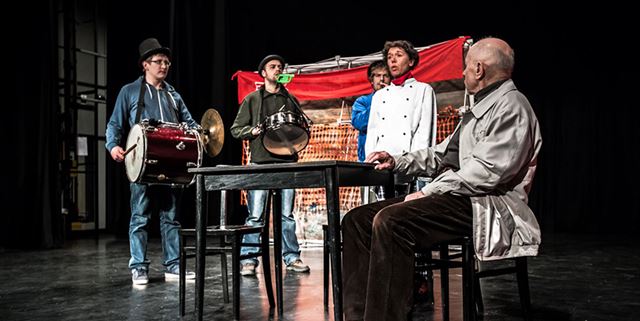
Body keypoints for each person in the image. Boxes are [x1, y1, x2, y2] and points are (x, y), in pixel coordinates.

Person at [341, 37, 543, 321]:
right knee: (356, 220)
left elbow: (488, 173)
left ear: (479, 70)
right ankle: (359, 316)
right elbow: (440, 154)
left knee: (391, 221)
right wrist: (397, 160)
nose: (462, 73)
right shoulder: (478, 109)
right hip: (456, 196)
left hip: (486, 204)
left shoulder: (512, 106)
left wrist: (430, 191)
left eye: (465, 67)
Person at [105, 38, 199, 285]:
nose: (164, 65)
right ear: (145, 65)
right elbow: (114, 123)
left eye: (167, 62)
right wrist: (113, 145)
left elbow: (190, 124)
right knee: (140, 216)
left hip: (171, 163)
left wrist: (202, 132)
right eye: (158, 61)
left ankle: (172, 266)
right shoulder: (129, 91)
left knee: (171, 217)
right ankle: (138, 267)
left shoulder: (173, 95)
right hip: (141, 162)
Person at [230, 54, 310, 276]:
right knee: (255, 216)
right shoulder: (253, 99)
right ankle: (249, 260)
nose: (277, 69)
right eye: (272, 67)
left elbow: (299, 129)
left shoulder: (290, 99)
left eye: (280, 67)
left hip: (286, 163)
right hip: (261, 164)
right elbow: (236, 129)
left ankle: (292, 257)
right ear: (263, 73)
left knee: (286, 215)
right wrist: (252, 131)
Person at [364, 40, 438, 195]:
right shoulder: (379, 95)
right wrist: (371, 164)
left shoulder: (423, 90)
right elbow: (373, 133)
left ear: (411, 61)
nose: (392, 60)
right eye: (389, 56)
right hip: (381, 169)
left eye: (398, 55)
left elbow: (424, 133)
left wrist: (416, 168)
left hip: (409, 169)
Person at [351, 60, 391, 162]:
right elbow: (359, 123)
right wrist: (379, 100)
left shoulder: (397, 99)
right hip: (369, 158)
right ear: (371, 80)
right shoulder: (362, 102)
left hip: (392, 156)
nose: (382, 79)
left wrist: (391, 97)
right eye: (377, 75)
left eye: (385, 75)